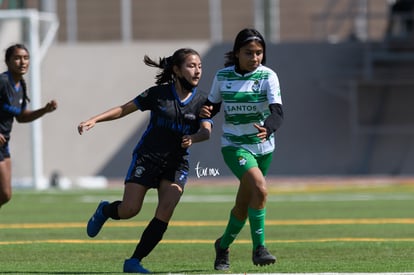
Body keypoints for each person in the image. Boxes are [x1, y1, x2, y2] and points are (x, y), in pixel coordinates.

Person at [77, 48, 212, 274]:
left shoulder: (202, 100)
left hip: (176, 163)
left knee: (166, 209)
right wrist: (95, 119)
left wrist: (194, 137)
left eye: (199, 66)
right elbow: (124, 109)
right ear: (177, 70)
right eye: (191, 66)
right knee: (130, 209)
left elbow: (206, 131)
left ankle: (134, 261)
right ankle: (105, 211)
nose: (197, 70)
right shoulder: (157, 94)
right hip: (147, 157)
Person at [201, 28, 283, 270]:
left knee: (244, 204)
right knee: (261, 189)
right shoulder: (223, 76)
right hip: (235, 146)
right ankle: (260, 248)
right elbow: (212, 105)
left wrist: (268, 128)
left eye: (259, 53)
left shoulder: (268, 76)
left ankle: (223, 246)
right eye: (249, 52)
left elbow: (278, 112)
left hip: (264, 147)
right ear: (237, 53)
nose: (255, 57)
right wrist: (205, 112)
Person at [0, 43, 57, 208]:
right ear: (8, 61)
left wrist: (44, 110)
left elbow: (22, 117)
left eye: (26, 58)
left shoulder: (20, 86)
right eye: (17, 58)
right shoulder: (2, 82)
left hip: (4, 144)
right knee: (4, 193)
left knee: (5, 195)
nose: (22, 62)